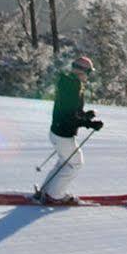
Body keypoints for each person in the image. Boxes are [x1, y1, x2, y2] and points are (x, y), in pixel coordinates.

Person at [40, 55, 104, 204]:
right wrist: (90, 124)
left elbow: (71, 112)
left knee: (64, 162)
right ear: (81, 72)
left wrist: (86, 116)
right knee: (75, 163)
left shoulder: (69, 83)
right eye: (88, 72)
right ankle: (55, 196)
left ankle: (47, 190)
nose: (89, 76)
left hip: (57, 131)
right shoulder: (72, 88)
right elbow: (70, 117)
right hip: (63, 134)